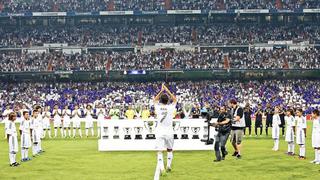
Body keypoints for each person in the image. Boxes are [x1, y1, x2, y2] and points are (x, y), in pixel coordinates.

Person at [153, 84, 177, 180]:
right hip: (169, 132)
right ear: (167, 100)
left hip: (160, 131)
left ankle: (162, 168)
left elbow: (154, 100)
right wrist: (167, 90)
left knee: (159, 151)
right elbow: (175, 99)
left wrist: (161, 90)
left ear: (160, 101)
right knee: (169, 149)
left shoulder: (158, 107)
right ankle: (168, 166)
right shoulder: (171, 107)